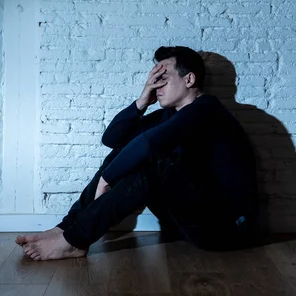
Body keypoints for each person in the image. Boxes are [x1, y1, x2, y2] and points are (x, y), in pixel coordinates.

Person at [16, 46, 259, 260]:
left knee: (151, 163)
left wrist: (106, 179)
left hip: (226, 229)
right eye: (154, 79)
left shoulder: (206, 109)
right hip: (187, 223)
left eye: (163, 78)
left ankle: (74, 242)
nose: (157, 85)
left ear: (189, 79)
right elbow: (113, 139)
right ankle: (66, 229)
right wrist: (143, 100)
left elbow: (148, 146)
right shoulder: (171, 115)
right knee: (126, 151)